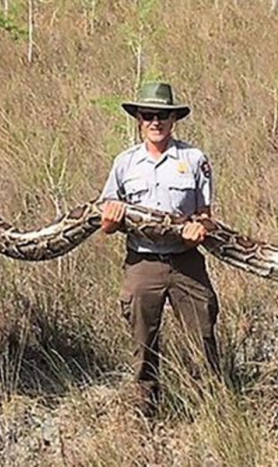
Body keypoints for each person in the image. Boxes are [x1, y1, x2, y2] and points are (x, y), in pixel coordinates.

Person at [99, 82, 220, 416]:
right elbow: (106, 224)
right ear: (139, 118)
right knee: (143, 341)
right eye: (149, 115)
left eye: (163, 115)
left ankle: (210, 407)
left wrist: (200, 228)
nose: (156, 121)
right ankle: (145, 409)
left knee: (203, 336)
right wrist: (110, 219)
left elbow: (208, 217)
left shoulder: (195, 159)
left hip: (185, 261)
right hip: (143, 261)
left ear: (173, 119)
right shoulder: (124, 163)